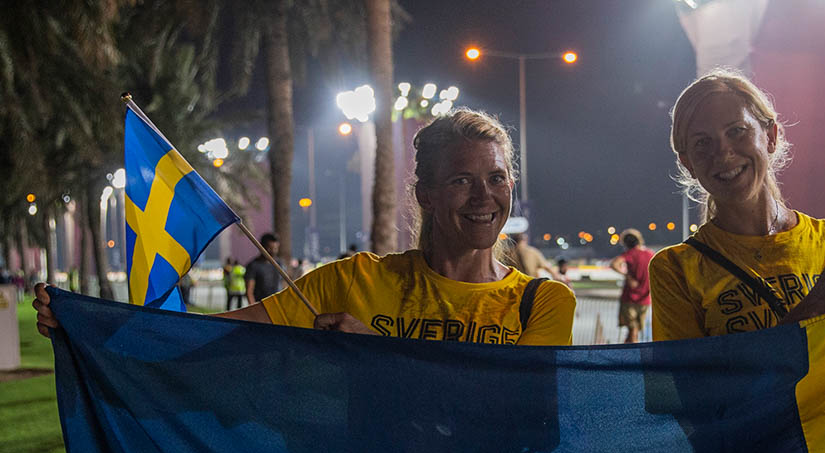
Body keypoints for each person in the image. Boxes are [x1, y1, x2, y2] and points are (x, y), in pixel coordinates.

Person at [36, 109, 575, 346]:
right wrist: (90, 325)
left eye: (497, 179)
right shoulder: (349, 283)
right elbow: (212, 338)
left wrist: (382, 354)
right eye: (462, 180)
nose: (485, 197)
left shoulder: (544, 303)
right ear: (425, 196)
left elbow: (517, 406)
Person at [648, 69, 825, 341]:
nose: (723, 152)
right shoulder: (675, 270)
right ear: (687, 162)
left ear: (770, 137)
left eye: (737, 131)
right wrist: (813, 309)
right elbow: (692, 384)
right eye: (702, 142)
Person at [610, 229, 653, 343]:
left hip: (630, 297)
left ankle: (631, 355)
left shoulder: (630, 254)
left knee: (632, 330)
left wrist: (627, 276)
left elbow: (614, 264)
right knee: (634, 330)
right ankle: (627, 353)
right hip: (645, 298)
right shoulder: (649, 254)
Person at [244, 233, 282, 305]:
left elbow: (284, 285)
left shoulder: (280, 264)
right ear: (262, 247)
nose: (273, 251)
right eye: (270, 248)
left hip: (278, 306)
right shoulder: (253, 266)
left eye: (275, 248)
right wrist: (254, 308)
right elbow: (249, 291)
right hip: (261, 307)